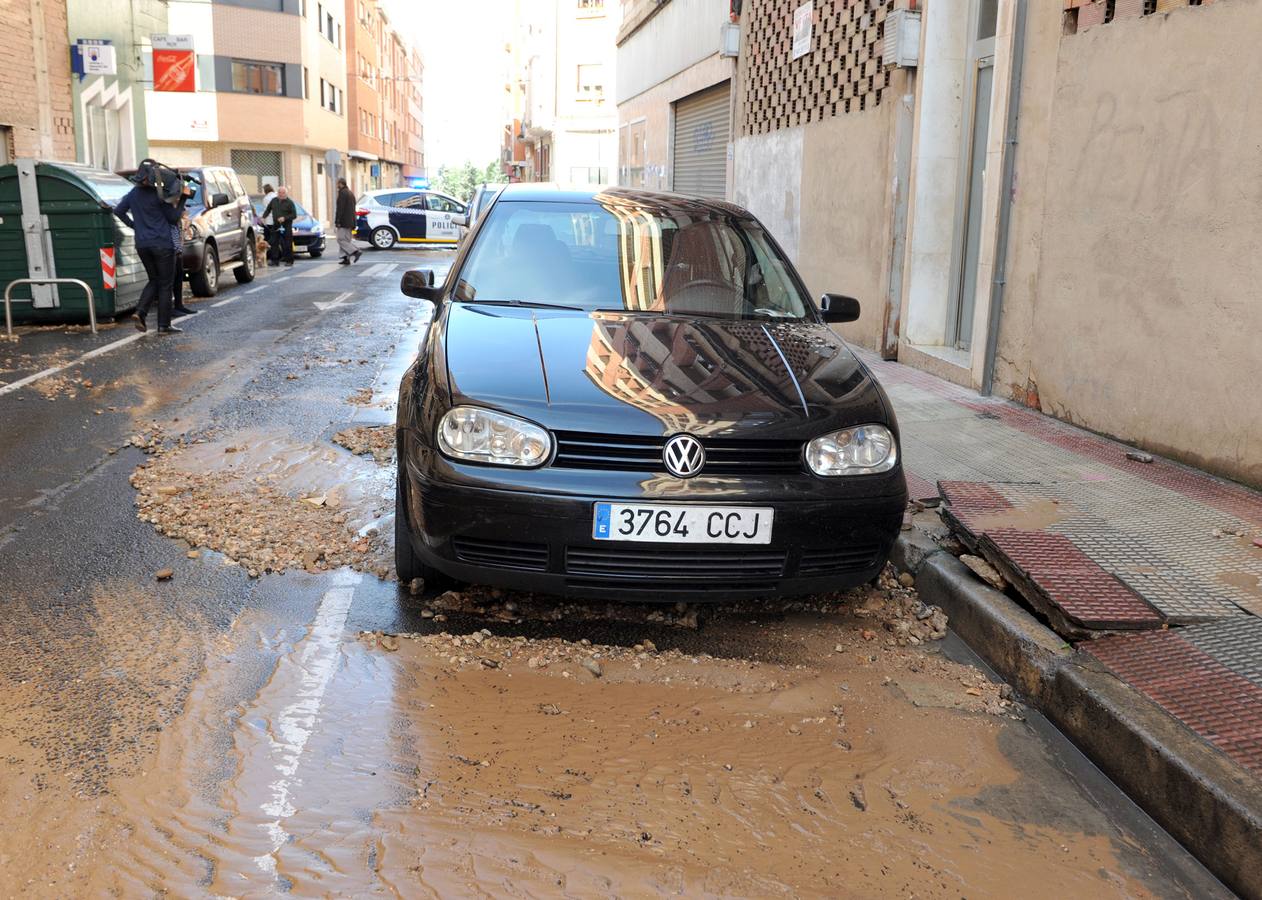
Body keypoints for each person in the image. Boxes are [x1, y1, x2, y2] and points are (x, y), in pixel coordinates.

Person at [114, 169, 191, 334]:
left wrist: (134, 225)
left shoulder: (133, 194)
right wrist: (183, 197)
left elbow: (118, 211)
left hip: (142, 244)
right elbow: (173, 217)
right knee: (165, 284)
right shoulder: (159, 195)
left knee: (154, 280)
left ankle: (140, 312)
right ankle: (164, 325)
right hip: (162, 244)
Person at [171, 210, 198, 318]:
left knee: (179, 276)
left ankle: (179, 305)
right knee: (170, 279)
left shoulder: (176, 203)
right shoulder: (167, 204)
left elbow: (184, 213)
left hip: (177, 247)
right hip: (169, 247)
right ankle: (169, 309)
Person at [262, 186, 297, 267]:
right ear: (277, 193)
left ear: (286, 194)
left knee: (287, 243)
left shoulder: (290, 202)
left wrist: (284, 218)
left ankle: (289, 260)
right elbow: (268, 209)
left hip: (286, 225)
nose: (281, 194)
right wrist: (263, 217)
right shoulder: (274, 200)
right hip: (276, 224)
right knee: (274, 242)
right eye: (279, 193)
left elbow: (294, 215)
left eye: (283, 193)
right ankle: (275, 260)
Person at [334, 177, 361, 266]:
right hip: (351, 221)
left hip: (343, 221)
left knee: (340, 239)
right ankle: (345, 258)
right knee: (346, 240)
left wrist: (337, 221)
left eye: (337, 183)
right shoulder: (350, 193)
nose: (336, 185)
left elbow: (340, 209)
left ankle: (355, 251)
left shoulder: (342, 193)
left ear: (341, 184)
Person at [260, 182, 277, 247]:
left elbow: (266, 210)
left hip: (269, 221)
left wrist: (262, 218)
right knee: (276, 238)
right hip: (277, 221)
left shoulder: (266, 198)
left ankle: (270, 253)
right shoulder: (276, 196)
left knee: (268, 238)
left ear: (265, 190)